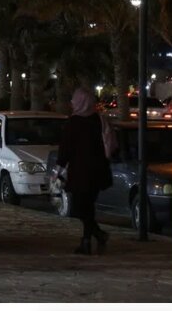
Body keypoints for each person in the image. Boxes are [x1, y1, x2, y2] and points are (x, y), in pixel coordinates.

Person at [53, 87, 113, 255]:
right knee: (87, 207)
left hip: (81, 172)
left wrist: (58, 170)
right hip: (97, 171)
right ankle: (93, 237)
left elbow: (65, 150)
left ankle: (93, 238)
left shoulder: (74, 123)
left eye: (74, 99)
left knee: (81, 207)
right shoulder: (99, 120)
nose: (72, 102)